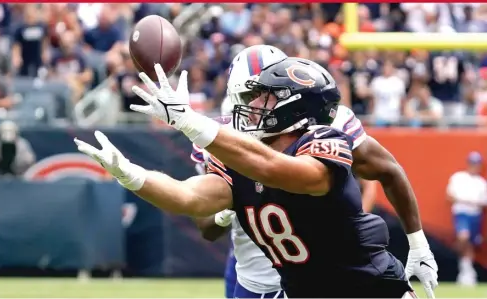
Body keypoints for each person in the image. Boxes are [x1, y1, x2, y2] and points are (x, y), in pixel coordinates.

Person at [74, 58, 438, 298]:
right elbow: (189, 198)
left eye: (265, 97)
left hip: (368, 288)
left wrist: (188, 121)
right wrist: (131, 174)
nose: (253, 105)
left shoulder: (324, 140)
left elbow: (277, 170)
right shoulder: (240, 156)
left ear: (295, 107)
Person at [192, 45, 288, 299]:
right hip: (252, 272)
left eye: (270, 95)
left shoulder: (312, 136)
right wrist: (224, 213)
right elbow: (204, 224)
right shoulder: (224, 138)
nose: (259, 107)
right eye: (250, 97)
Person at [447, 151, 487, 286]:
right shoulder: (458, 178)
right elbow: (450, 197)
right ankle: (465, 269)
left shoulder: (482, 183)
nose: (474, 166)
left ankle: (467, 272)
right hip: (461, 214)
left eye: (477, 164)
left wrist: (469, 202)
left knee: (470, 244)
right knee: (463, 238)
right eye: (472, 163)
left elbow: (483, 203)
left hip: (475, 216)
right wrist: (467, 201)